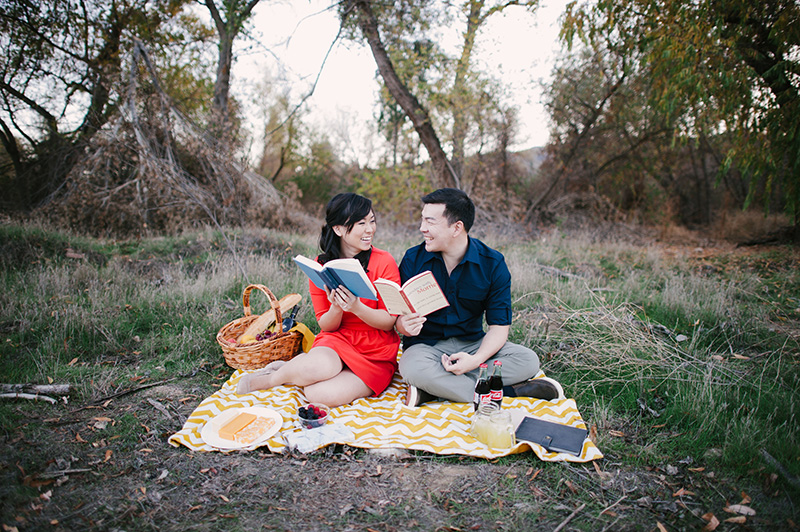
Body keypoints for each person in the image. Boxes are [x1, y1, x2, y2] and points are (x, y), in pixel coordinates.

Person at [396, 188, 563, 407]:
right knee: (412, 368)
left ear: (457, 227)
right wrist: (404, 326)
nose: (422, 228)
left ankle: (435, 391)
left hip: (472, 345)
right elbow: (398, 320)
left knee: (528, 361)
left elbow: (499, 328)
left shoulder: (492, 264)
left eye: (430, 222)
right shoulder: (413, 258)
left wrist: (475, 359)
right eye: (422, 220)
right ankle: (508, 393)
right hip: (426, 348)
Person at [236, 193, 401, 407]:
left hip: (376, 350)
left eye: (372, 221)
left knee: (319, 395)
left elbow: (389, 321)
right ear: (338, 229)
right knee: (318, 368)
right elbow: (326, 325)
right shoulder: (322, 266)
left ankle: (289, 368)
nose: (370, 229)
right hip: (337, 339)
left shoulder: (384, 262)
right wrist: (337, 308)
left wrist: (356, 307)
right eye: (361, 223)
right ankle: (272, 379)